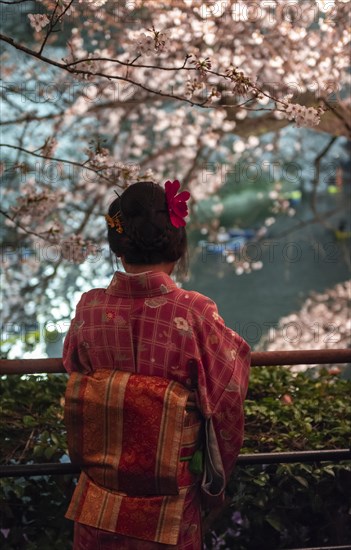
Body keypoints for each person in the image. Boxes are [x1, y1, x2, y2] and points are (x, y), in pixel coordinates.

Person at [63, 180, 251, 549]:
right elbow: (227, 400)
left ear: (118, 246)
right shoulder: (195, 312)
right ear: (178, 245)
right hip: (171, 506)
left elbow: (73, 368)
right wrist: (216, 483)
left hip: (96, 502)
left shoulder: (88, 308)